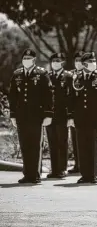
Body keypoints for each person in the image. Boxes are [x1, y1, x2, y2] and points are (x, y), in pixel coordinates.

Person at [9, 49, 53, 184]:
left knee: (35, 145)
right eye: (24, 58)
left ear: (34, 60)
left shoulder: (42, 74)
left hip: (36, 115)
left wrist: (48, 114)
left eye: (29, 58)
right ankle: (27, 174)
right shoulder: (17, 74)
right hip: (22, 116)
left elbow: (48, 95)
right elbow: (12, 96)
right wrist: (13, 115)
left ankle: (35, 175)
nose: (26, 60)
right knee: (24, 145)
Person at [67, 52, 97, 184]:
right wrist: (71, 116)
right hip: (80, 118)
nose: (93, 64)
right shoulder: (77, 78)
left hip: (95, 117)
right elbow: (71, 99)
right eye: (90, 62)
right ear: (84, 64)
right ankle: (84, 174)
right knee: (82, 146)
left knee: (93, 146)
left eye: (94, 61)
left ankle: (93, 175)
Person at [46, 53, 73, 179]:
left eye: (58, 60)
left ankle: (62, 169)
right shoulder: (47, 76)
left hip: (63, 115)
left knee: (62, 142)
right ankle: (54, 169)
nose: (55, 63)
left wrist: (70, 116)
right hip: (50, 115)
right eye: (53, 61)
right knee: (52, 142)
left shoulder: (68, 76)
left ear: (62, 62)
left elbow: (71, 97)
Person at [68, 51, 85, 174]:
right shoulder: (70, 75)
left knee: (87, 140)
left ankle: (86, 165)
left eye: (81, 60)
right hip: (74, 113)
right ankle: (77, 164)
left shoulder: (90, 74)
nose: (78, 63)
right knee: (75, 140)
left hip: (87, 112)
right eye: (76, 60)